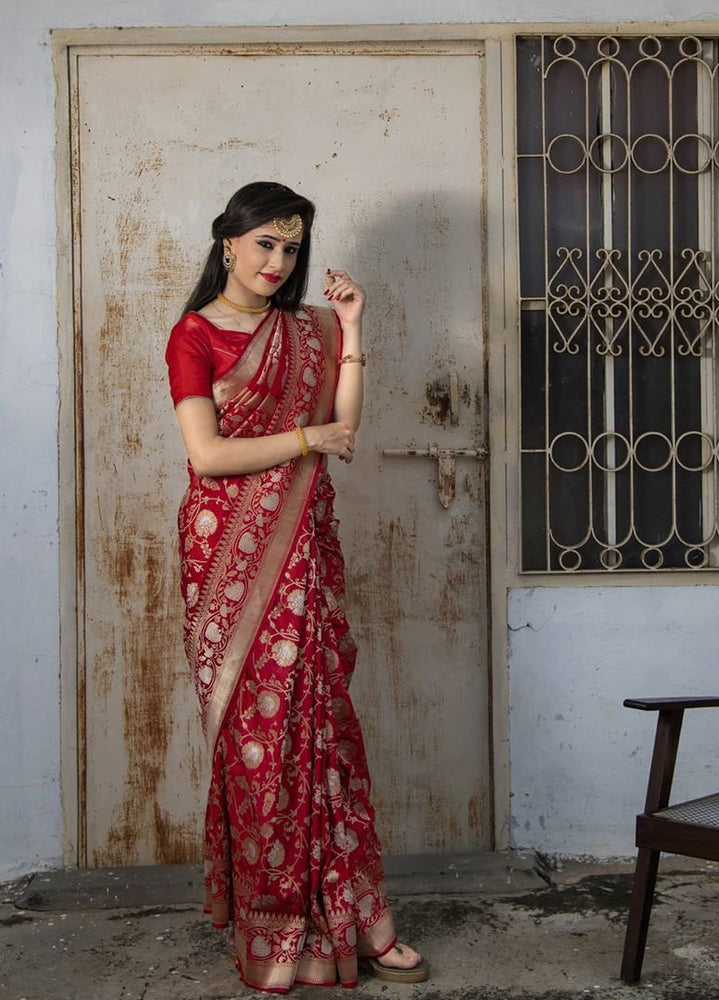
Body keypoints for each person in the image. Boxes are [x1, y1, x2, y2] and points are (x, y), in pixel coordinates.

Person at [164, 181, 427, 992]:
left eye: (291, 248)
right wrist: (306, 436)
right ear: (228, 243)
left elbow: (343, 428)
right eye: (265, 245)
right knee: (262, 743)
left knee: (322, 728)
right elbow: (206, 456)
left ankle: (361, 915)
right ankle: (274, 931)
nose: (279, 262)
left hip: (303, 544)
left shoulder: (306, 330)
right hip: (227, 554)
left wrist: (351, 331)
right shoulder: (195, 333)